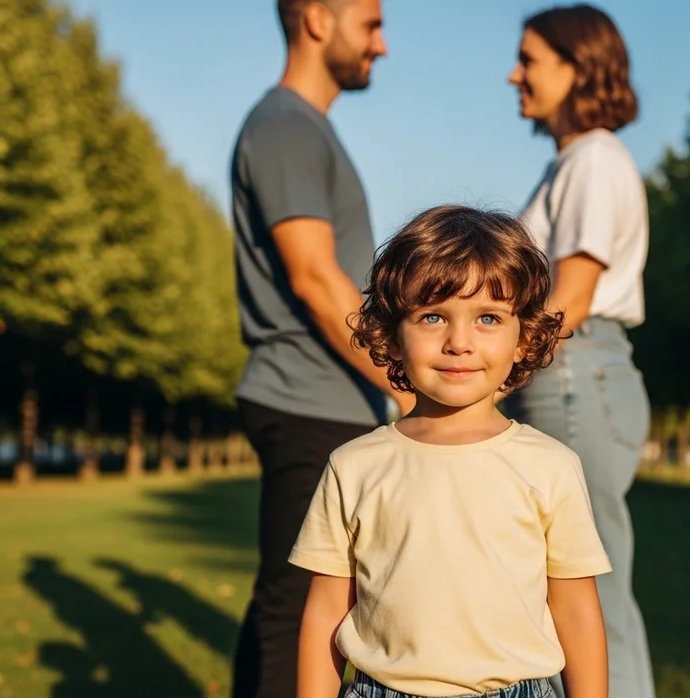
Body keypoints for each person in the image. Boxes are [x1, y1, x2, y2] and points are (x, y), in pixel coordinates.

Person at [289, 205, 613, 698]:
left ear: (524, 337)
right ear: (393, 336)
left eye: (488, 317)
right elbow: (325, 612)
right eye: (433, 317)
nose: (459, 342)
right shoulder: (354, 466)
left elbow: (577, 612)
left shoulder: (550, 467)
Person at [227, 1, 413, 697]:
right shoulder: (284, 127)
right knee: (302, 615)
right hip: (307, 403)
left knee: (287, 605)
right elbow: (313, 275)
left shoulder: (305, 130)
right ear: (315, 18)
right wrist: (406, 380)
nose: (383, 44)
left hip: (320, 400)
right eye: (370, 23)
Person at [502, 5, 657, 698]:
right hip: (573, 376)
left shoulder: (594, 158)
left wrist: (485, 375)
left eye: (529, 60)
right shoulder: (567, 164)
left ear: (577, 66)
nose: (515, 74)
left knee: (587, 600)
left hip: (575, 377)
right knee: (582, 595)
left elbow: (573, 296)